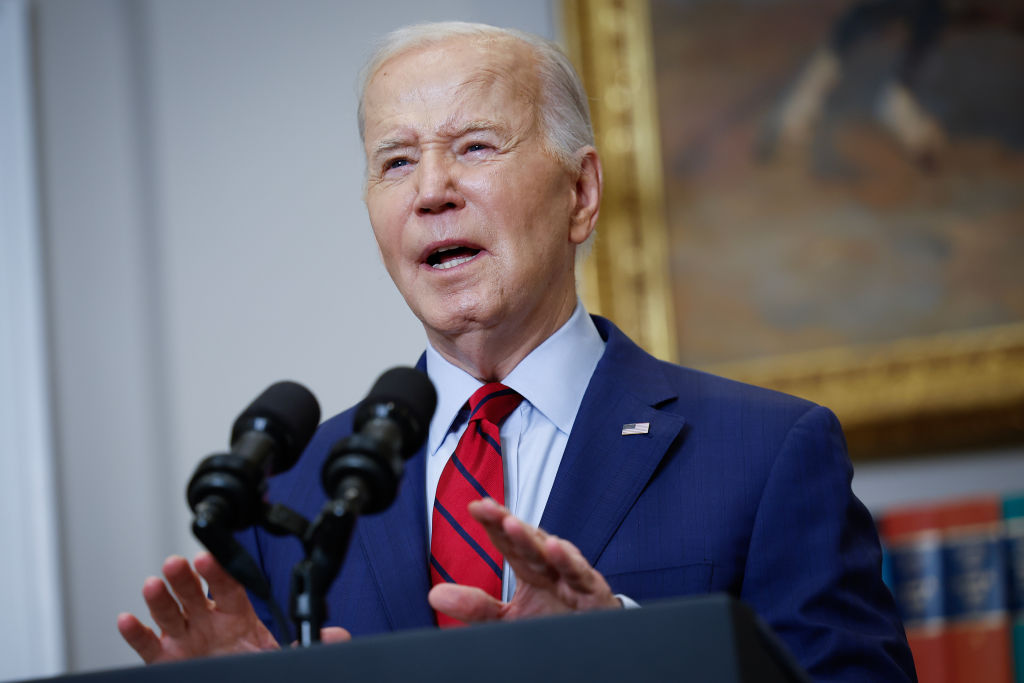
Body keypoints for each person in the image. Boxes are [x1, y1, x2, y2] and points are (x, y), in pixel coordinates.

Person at [117, 22, 917, 681]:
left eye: (473, 147)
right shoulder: (297, 492)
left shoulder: (768, 452)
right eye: (396, 161)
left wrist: (635, 652)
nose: (431, 190)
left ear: (580, 193)